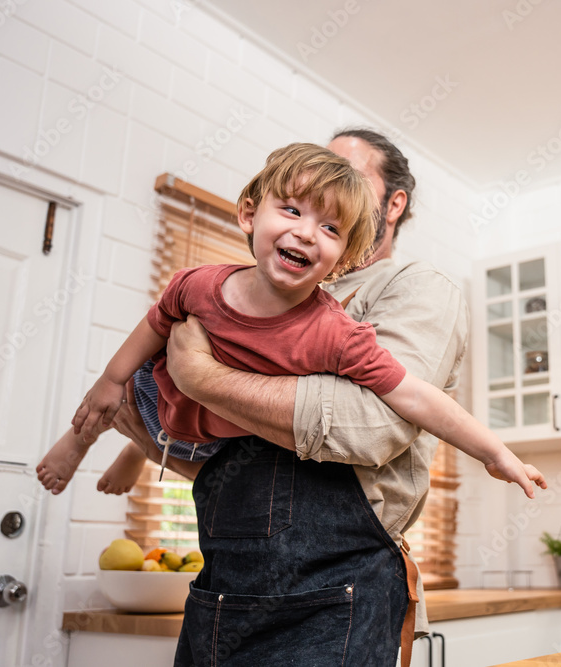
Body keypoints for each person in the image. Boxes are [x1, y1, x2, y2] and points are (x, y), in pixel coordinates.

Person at [110, 129, 508, 666]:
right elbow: (238, 459)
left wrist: (201, 377)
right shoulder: (264, 292)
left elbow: (370, 426)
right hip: (223, 587)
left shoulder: (413, 288)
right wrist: (153, 434)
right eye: (300, 202)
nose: (325, 201)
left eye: (349, 182)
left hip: (334, 593)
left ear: (392, 204)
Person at [36, 142, 544, 504]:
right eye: (294, 208)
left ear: (350, 250)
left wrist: (492, 451)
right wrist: (110, 380)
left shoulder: (339, 325)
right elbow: (155, 323)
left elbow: (410, 399)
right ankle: (96, 440)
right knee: (138, 371)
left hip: (213, 437)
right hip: (163, 401)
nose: (306, 231)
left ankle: (145, 446)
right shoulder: (202, 283)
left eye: (330, 224)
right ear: (249, 216)